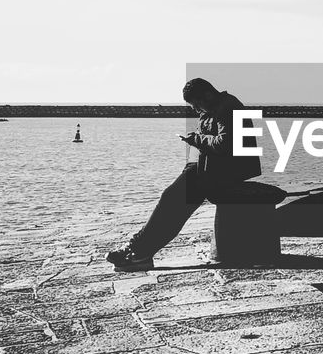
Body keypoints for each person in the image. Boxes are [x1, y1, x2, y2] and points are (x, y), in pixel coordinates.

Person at [106, 77, 263, 271]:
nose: (196, 110)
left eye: (197, 104)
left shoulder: (228, 107)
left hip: (229, 170)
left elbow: (224, 144)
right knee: (173, 200)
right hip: (213, 168)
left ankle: (138, 251)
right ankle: (139, 250)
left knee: (173, 199)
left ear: (207, 94)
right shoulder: (214, 107)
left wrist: (196, 140)